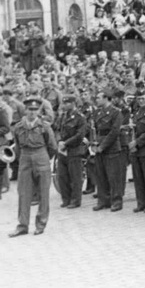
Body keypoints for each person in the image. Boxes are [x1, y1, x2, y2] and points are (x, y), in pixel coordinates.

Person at [9, 97, 57, 237]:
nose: (32, 112)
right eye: (30, 109)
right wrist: (23, 159)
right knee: (23, 193)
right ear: (25, 110)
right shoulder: (18, 127)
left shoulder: (44, 126)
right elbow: (17, 147)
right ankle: (22, 225)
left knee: (43, 192)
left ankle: (41, 223)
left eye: (35, 110)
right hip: (25, 158)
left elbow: (52, 146)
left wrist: (44, 158)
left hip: (41, 156)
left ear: (39, 111)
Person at [92, 90, 124, 212]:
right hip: (99, 146)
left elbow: (114, 132)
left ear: (107, 98)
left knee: (113, 176)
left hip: (111, 147)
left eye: (99, 97)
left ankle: (116, 201)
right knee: (101, 175)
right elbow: (95, 129)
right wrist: (94, 143)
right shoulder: (97, 112)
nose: (97, 100)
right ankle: (103, 200)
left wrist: (102, 146)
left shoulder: (116, 113)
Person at [55, 94, 87, 209]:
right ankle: (66, 199)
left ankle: (75, 200)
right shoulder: (62, 116)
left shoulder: (80, 117)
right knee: (62, 176)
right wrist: (59, 141)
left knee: (75, 177)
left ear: (73, 103)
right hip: (62, 150)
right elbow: (57, 130)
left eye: (67, 103)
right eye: (64, 103)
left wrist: (66, 143)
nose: (64, 105)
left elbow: (80, 135)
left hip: (74, 149)